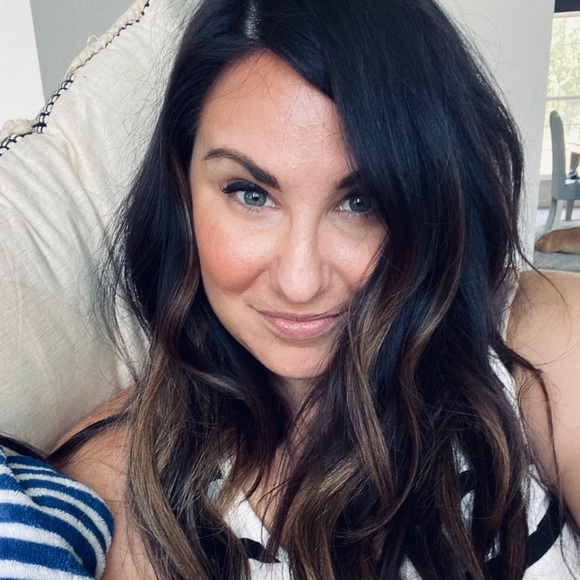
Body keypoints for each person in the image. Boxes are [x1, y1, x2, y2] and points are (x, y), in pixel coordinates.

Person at [2, 0, 580, 578]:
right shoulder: (118, 487)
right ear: (182, 195)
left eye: (362, 201)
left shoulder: (541, 344)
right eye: (250, 194)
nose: (300, 283)